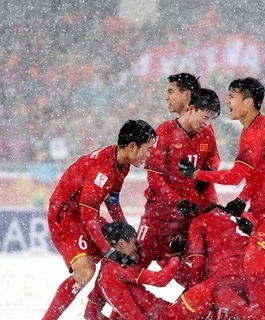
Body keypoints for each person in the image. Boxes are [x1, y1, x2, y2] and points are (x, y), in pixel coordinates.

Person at [178, 77, 265, 319]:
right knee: (260, 266)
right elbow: (257, 174)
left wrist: (197, 173)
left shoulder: (257, 134)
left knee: (253, 265)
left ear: (248, 102)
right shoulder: (252, 129)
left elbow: (237, 175)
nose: (226, 101)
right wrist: (243, 198)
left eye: (231, 96)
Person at [43, 120, 157, 320]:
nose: (149, 155)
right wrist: (107, 250)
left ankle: (93, 312)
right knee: (86, 270)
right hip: (66, 219)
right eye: (147, 149)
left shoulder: (122, 164)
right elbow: (87, 215)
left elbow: (112, 202)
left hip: (84, 215)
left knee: (126, 250)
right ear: (132, 146)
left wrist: (127, 233)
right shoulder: (102, 170)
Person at [137, 88, 221, 274]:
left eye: (210, 120)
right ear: (191, 108)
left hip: (191, 214)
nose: (206, 123)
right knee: (135, 264)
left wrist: (211, 195)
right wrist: (177, 200)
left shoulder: (207, 133)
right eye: (204, 117)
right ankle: (108, 300)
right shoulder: (164, 132)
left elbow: (213, 162)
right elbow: (154, 177)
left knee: (201, 269)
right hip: (160, 214)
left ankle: (195, 301)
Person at [83, 222, 182, 320]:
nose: (136, 247)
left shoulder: (104, 270)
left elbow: (90, 313)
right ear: (121, 243)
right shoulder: (119, 267)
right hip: (164, 315)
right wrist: (176, 256)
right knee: (195, 294)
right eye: (134, 242)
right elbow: (161, 279)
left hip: (159, 313)